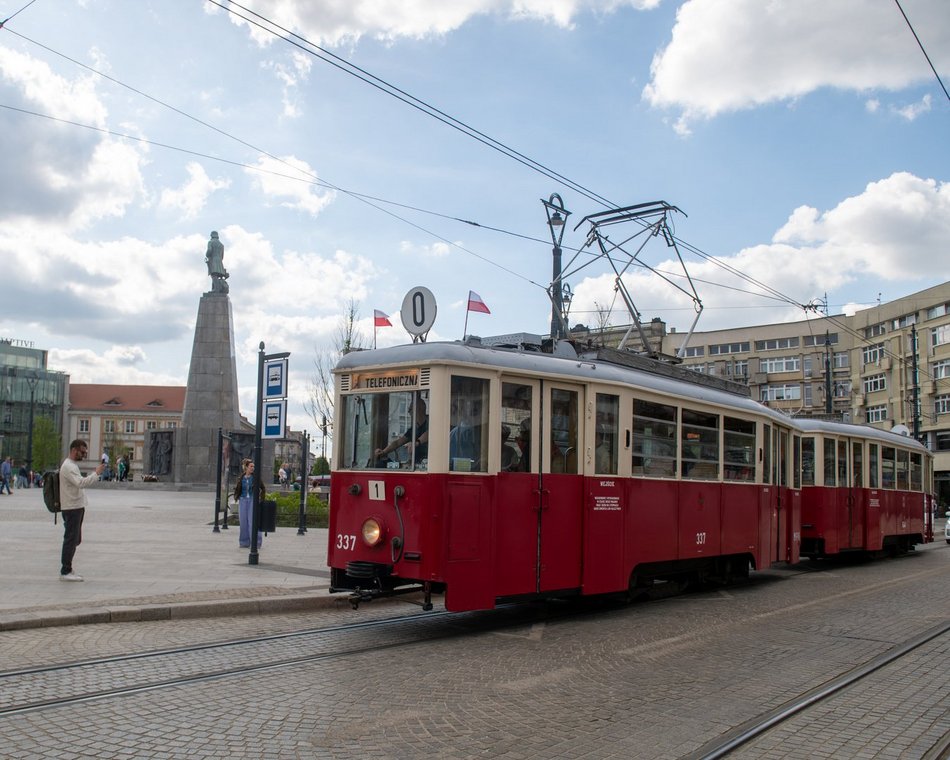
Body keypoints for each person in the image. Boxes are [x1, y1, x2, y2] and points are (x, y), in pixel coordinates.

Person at [58, 439, 106, 581]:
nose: (84, 455)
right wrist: (96, 474)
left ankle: (67, 568)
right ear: (74, 450)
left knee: (75, 539)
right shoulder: (69, 466)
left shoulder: (72, 465)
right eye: (82, 452)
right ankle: (65, 571)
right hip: (72, 507)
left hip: (76, 506)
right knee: (71, 539)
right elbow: (81, 483)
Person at [375, 399, 428, 464]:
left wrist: (416, 443)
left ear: (419, 409)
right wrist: (383, 452)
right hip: (416, 463)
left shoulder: (431, 423)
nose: (409, 412)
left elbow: (430, 433)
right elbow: (398, 442)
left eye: (410, 409)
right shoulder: (414, 429)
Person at [233, 458, 265, 549]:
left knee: (253, 522)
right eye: (251, 466)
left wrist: (261, 498)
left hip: (252, 500)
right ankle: (244, 542)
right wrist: (236, 496)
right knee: (243, 522)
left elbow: (263, 488)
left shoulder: (255, 477)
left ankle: (256, 542)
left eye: (253, 466)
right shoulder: (241, 478)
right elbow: (237, 488)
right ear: (246, 467)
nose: (253, 468)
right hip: (243, 500)